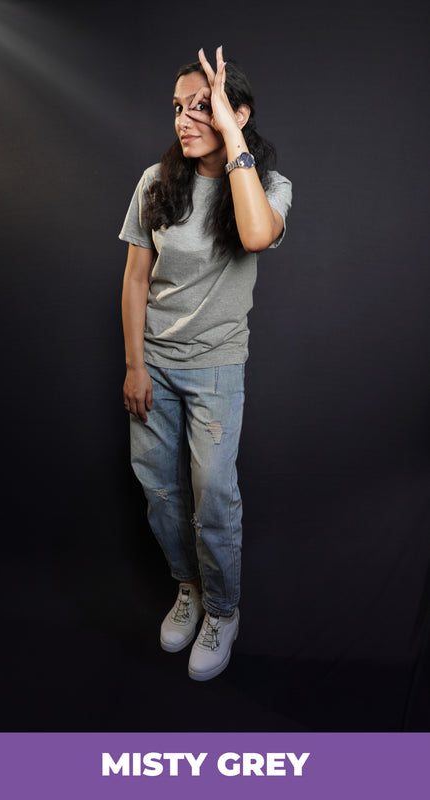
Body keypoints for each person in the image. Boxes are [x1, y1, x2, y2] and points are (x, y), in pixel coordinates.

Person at [119, 46, 292, 681]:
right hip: (154, 366)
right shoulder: (155, 181)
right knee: (161, 494)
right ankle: (188, 588)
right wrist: (136, 365)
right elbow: (137, 279)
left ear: (234, 113)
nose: (184, 120)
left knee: (212, 498)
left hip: (216, 367)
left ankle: (223, 608)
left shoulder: (269, 186)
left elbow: (253, 235)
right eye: (178, 108)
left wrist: (230, 130)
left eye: (201, 107)